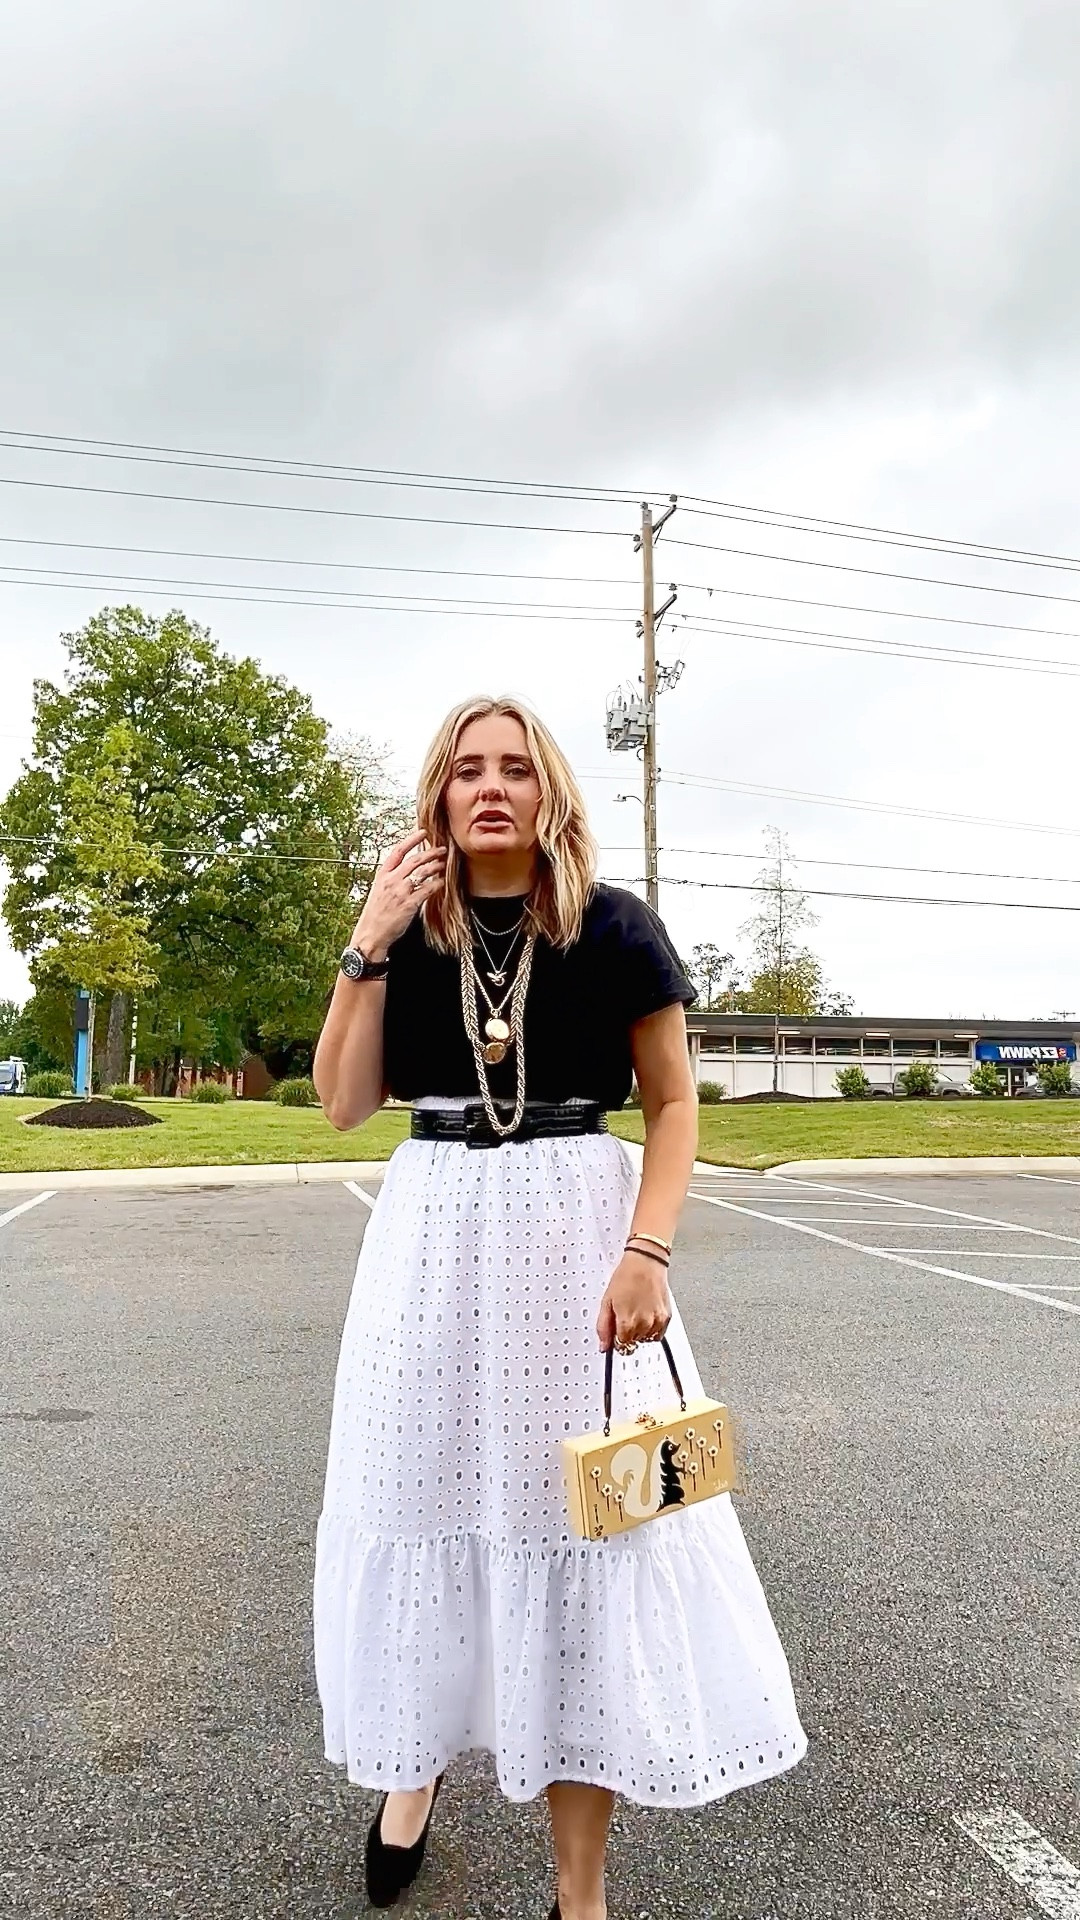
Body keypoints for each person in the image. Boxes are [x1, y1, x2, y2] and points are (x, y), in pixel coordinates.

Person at [312, 696, 807, 1920]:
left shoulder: (615, 926)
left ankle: (577, 1892)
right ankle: (408, 1778)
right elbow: (338, 1104)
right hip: (427, 1245)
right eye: (468, 769)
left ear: (550, 793)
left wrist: (650, 1248)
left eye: (516, 769)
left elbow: (676, 1104)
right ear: (438, 793)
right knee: (419, 1504)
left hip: (581, 1245)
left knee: (591, 1532)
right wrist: (365, 939)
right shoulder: (407, 933)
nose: (493, 787)